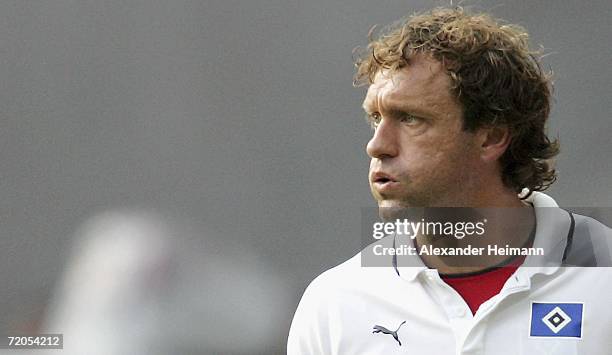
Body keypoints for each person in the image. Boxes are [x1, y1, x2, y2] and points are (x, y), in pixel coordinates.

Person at [288, 7, 611, 354]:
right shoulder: (335, 304)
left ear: (491, 137)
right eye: (376, 118)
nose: (377, 145)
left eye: (410, 119)